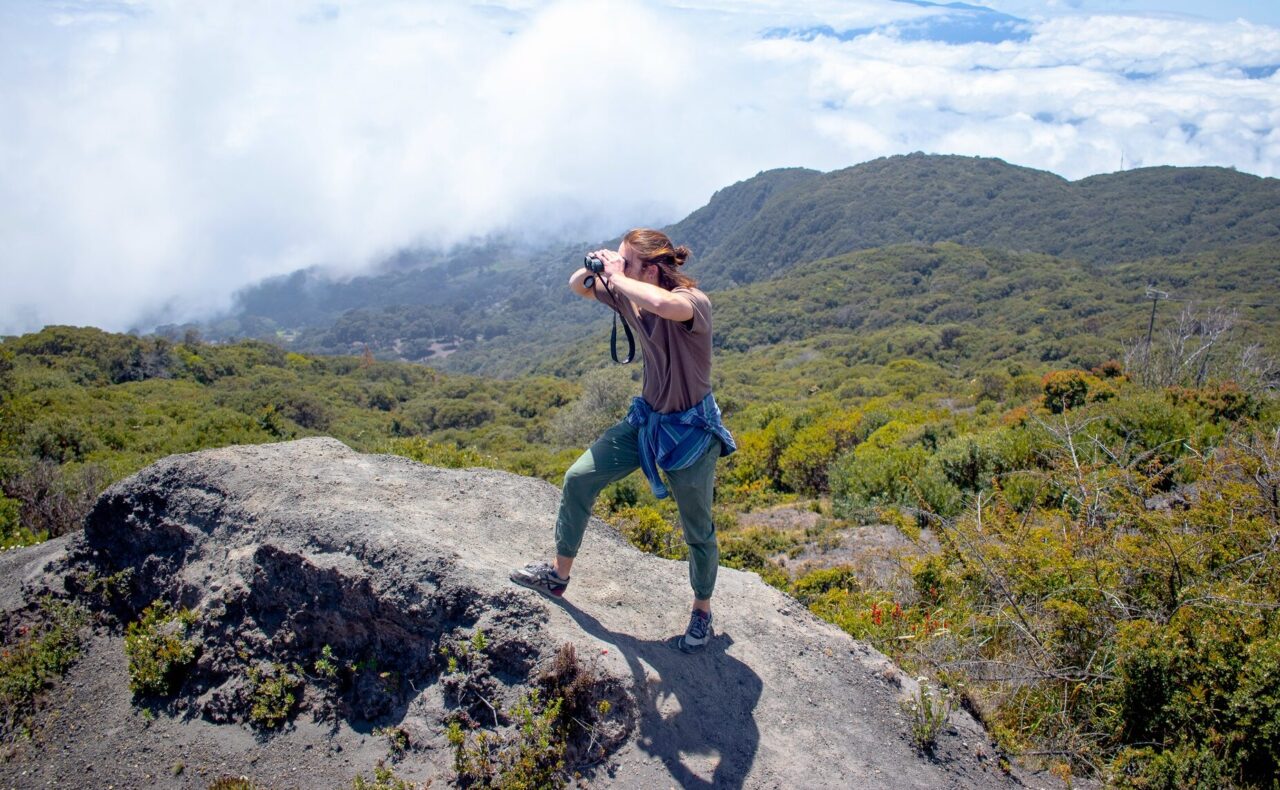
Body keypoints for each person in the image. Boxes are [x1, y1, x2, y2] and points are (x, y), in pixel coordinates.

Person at [510, 228, 735, 653]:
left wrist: (616, 276)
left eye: (627, 261)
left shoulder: (693, 303)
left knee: (697, 530)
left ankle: (702, 610)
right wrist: (598, 266)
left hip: (690, 433)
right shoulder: (630, 293)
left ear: (650, 269)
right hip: (647, 421)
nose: (620, 267)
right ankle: (558, 575)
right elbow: (578, 286)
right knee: (579, 478)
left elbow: (664, 305)